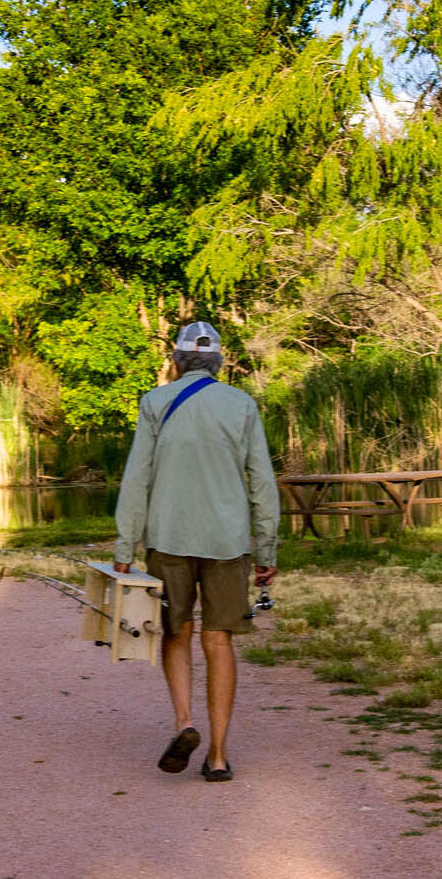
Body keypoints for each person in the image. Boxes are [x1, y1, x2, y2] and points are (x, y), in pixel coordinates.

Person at [113, 321, 279, 783]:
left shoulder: (154, 402)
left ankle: (185, 723)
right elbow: (262, 482)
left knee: (176, 632)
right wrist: (267, 548)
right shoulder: (242, 404)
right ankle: (219, 756)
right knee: (218, 639)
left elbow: (137, 479)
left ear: (178, 359)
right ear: (218, 361)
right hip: (227, 542)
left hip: (168, 539)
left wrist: (126, 545)